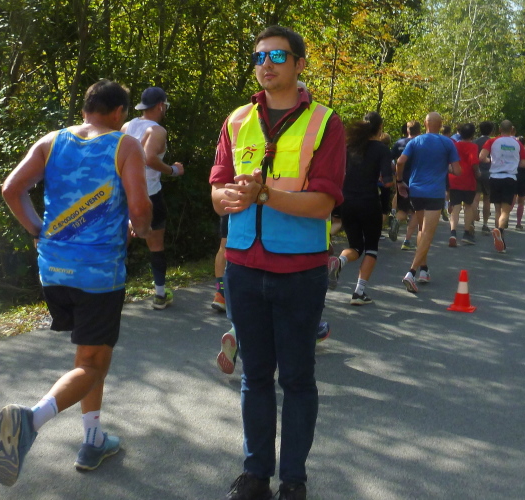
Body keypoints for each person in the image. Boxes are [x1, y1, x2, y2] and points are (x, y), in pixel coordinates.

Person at [0, 79, 152, 486]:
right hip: (98, 272)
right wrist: (141, 228)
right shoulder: (125, 145)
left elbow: (12, 189)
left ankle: (93, 438)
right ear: (118, 113)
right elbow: (139, 208)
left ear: (85, 109)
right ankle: (30, 421)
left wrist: (36, 230)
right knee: (92, 363)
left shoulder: (51, 141)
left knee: (90, 357)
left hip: (53, 270)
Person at [209, 26, 345, 500]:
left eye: (278, 56)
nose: (266, 64)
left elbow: (323, 203)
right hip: (243, 269)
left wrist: (265, 194)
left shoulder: (325, 122)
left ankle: (293, 481)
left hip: (300, 272)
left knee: (297, 379)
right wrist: (229, 197)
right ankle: (255, 475)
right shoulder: (237, 120)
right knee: (255, 377)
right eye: (259, 57)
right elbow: (217, 190)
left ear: (300, 64)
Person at [122, 86, 184, 309]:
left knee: (120, 244)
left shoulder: (127, 126)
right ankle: (159, 294)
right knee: (155, 244)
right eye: (165, 105)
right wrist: (173, 170)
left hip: (124, 193)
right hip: (148, 194)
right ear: (160, 106)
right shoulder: (157, 131)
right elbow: (148, 158)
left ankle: (112, 292)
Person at [328, 111, 392, 305]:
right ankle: (359, 292)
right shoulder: (381, 149)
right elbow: (387, 181)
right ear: (379, 128)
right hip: (369, 202)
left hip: (346, 202)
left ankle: (339, 261)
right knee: (371, 248)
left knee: (355, 246)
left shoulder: (348, 147)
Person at [396, 111, 460, 292]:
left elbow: (400, 162)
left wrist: (399, 181)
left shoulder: (415, 141)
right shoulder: (447, 143)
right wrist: (446, 167)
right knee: (428, 233)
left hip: (416, 191)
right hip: (434, 192)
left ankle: (424, 269)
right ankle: (411, 272)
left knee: (422, 230)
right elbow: (457, 170)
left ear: (425, 124)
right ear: (440, 125)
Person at [478, 120, 525, 253]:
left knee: (497, 210)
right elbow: (524, 163)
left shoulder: (492, 141)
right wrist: (514, 163)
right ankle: (500, 231)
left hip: (495, 177)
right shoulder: (518, 143)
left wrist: (491, 161)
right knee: (505, 211)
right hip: (510, 177)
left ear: (500, 129)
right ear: (512, 130)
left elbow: (481, 157)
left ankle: (499, 236)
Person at [388, 121, 420, 249]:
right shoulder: (420, 143)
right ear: (419, 131)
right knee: (416, 211)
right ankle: (407, 241)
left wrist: (394, 172)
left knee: (403, 209)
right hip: (417, 181)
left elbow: (389, 158)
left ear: (407, 130)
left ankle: (396, 219)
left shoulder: (399, 143)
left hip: (401, 180)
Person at [448, 123, 480, 245]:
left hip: (455, 178)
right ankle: (466, 233)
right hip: (468, 180)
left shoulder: (455, 145)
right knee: (468, 206)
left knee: (455, 206)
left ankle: (453, 233)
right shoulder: (473, 146)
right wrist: (478, 173)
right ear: (472, 134)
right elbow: (474, 163)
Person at [473, 121, 495, 236]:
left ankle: (472, 221)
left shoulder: (475, 142)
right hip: (489, 172)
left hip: (476, 172)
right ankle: (485, 224)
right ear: (491, 131)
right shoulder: (493, 142)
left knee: (475, 197)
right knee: (487, 199)